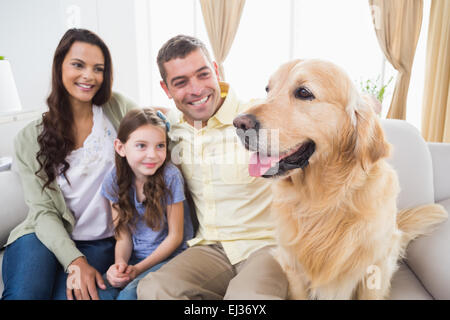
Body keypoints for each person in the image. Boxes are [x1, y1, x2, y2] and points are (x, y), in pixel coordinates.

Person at [137, 35, 289, 299]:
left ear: (216, 71)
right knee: (153, 290)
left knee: (247, 299)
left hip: (266, 246)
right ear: (166, 89)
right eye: (181, 82)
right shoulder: (172, 131)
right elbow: (134, 128)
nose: (196, 89)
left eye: (203, 74)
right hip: (209, 248)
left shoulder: (257, 117)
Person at [1, 28, 138, 300]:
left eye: (98, 68)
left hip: (100, 243)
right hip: (40, 237)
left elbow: (154, 129)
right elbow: (42, 212)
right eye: (78, 65)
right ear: (59, 67)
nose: (89, 75)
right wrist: (75, 261)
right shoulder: (29, 138)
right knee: (26, 296)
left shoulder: (117, 109)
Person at [97, 108, 193, 300]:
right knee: (101, 292)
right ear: (120, 147)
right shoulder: (113, 180)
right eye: (141, 146)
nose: (153, 155)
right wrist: (120, 265)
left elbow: (175, 237)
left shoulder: (170, 177)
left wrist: (138, 269)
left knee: (128, 296)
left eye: (160, 146)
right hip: (135, 258)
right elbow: (122, 236)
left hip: (171, 257)